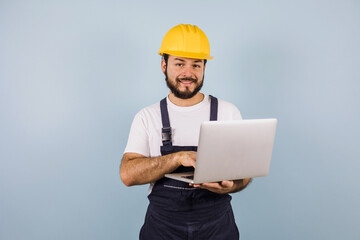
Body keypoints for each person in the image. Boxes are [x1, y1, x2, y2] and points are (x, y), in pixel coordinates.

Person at [120, 24, 251, 240]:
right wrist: (179, 157)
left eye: (196, 65)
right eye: (179, 64)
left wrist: (231, 185)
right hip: (163, 228)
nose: (188, 73)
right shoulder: (147, 117)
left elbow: (244, 176)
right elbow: (128, 175)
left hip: (217, 227)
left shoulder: (228, 112)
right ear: (164, 65)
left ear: (204, 68)